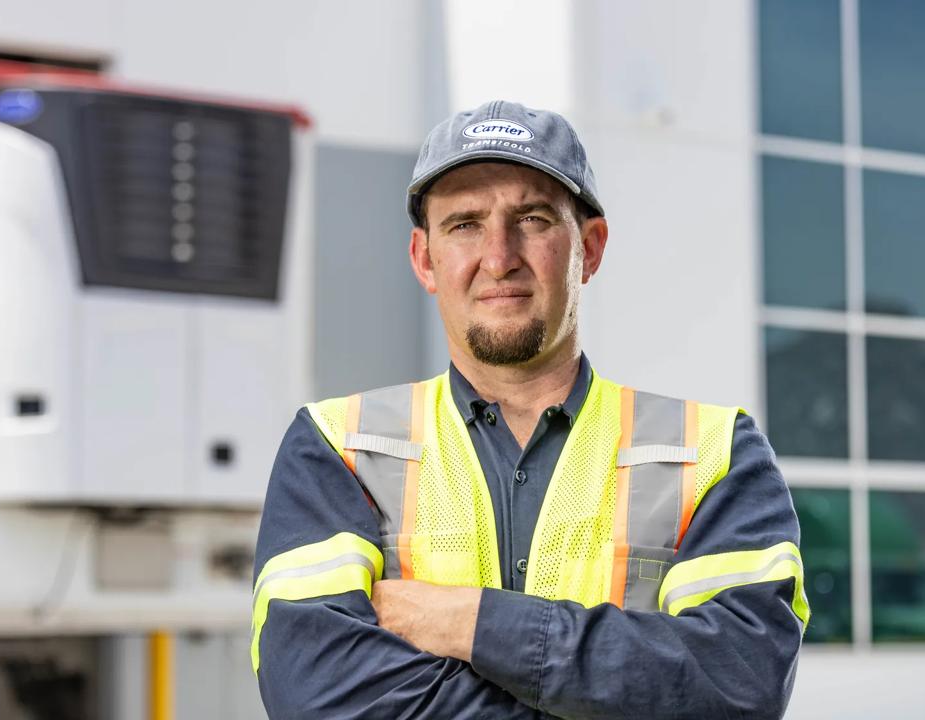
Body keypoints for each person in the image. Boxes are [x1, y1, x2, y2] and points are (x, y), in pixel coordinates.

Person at [251, 100, 808, 719]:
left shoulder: (714, 453)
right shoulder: (336, 446)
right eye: (464, 224)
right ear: (423, 257)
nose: (498, 257)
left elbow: (736, 688)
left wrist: (471, 621)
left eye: (533, 218)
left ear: (589, 249)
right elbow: (318, 697)